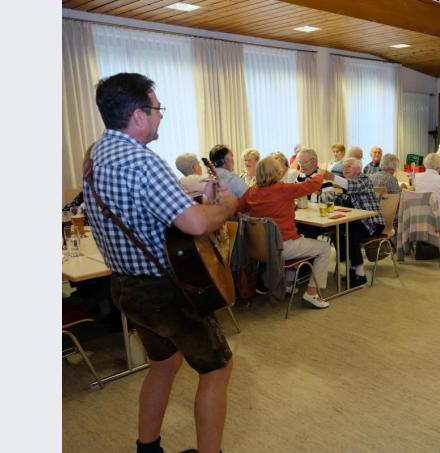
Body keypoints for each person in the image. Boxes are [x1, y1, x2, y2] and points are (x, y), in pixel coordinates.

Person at [84, 73, 237, 453]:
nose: (161, 117)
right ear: (138, 115)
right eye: (157, 109)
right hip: (164, 290)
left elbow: (154, 217)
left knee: (164, 364)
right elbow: (196, 223)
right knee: (217, 369)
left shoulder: (95, 153)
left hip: (125, 286)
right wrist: (227, 206)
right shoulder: (141, 160)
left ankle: (147, 448)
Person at [236, 157, 331, 308]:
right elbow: (310, 185)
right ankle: (312, 293)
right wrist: (320, 173)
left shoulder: (251, 191)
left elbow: (237, 209)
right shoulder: (283, 189)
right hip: (282, 246)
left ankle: (287, 284)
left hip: (260, 249)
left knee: (298, 239)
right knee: (324, 248)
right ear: (276, 172)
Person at [325, 157, 385, 286]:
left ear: (358, 170)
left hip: (372, 222)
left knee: (350, 233)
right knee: (335, 231)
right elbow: (335, 202)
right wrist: (326, 193)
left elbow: (352, 186)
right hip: (356, 222)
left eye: (349, 166)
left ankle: (360, 274)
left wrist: (331, 177)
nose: (344, 168)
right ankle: (351, 266)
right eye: (344, 166)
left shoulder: (364, 180)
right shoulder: (344, 185)